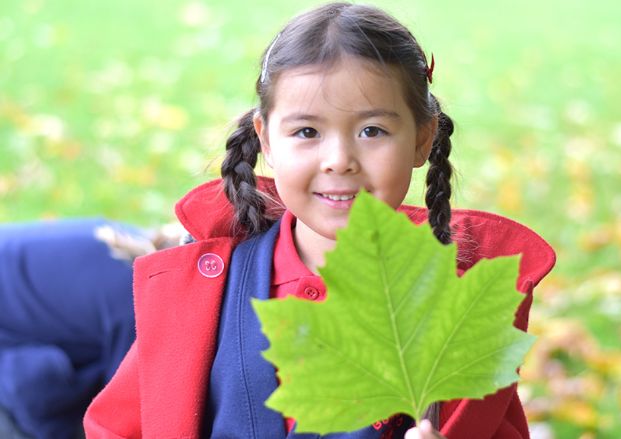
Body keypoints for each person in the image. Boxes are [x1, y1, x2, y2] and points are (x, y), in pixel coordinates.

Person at [84, 3, 556, 438]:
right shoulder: (208, 290)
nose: (339, 160)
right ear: (266, 140)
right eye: (307, 131)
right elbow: (117, 426)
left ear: (421, 139)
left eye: (372, 130)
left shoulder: (457, 318)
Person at [0, 219, 151, 439]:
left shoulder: (131, 245)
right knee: (34, 387)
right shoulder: (139, 302)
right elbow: (126, 416)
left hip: (22, 316)